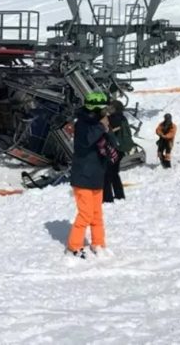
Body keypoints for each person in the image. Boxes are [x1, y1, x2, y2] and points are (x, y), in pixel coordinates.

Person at [66, 92, 118, 259]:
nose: (105, 113)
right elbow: (86, 140)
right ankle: (74, 246)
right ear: (94, 110)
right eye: (102, 110)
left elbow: (113, 144)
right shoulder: (82, 124)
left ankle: (99, 243)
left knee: (97, 214)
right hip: (83, 177)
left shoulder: (98, 125)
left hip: (97, 176)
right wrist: (102, 127)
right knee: (86, 214)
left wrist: (108, 129)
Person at [103, 100, 133, 202]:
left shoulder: (114, 118)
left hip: (115, 149)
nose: (108, 109)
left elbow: (107, 128)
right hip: (121, 149)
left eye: (110, 107)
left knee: (107, 173)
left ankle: (107, 198)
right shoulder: (122, 117)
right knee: (114, 173)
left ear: (115, 108)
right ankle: (119, 195)